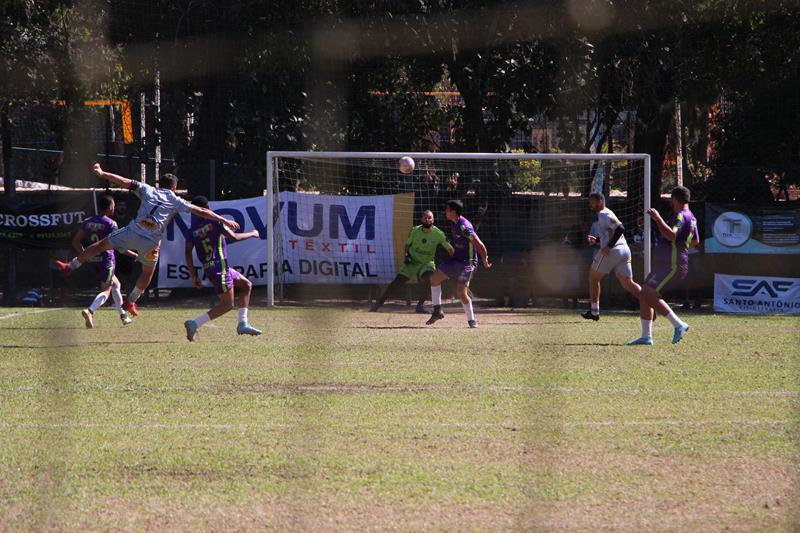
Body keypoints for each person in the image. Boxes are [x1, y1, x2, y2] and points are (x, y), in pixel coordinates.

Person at [56, 163, 240, 317]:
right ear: (174, 188)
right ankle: (131, 301)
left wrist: (102, 173)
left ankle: (70, 266)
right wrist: (223, 220)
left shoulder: (147, 189)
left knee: (98, 245)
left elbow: (123, 181)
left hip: (132, 233)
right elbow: (202, 211)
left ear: (160, 184)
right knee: (147, 273)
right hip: (151, 242)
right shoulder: (176, 200)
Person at [183, 196, 262, 341]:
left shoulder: (192, 230)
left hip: (210, 268)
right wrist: (253, 233)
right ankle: (194, 323)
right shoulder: (215, 221)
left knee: (246, 285)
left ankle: (243, 323)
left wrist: (194, 275)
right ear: (207, 208)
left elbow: (188, 253)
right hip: (220, 268)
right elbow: (234, 237)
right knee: (227, 305)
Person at [628, 186, 700, 346]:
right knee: (644, 293)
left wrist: (658, 218)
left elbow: (672, 235)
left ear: (674, 199)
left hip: (672, 265)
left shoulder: (680, 215)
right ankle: (646, 336)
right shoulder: (691, 216)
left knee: (649, 293)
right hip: (666, 264)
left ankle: (678, 324)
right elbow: (695, 240)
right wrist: (681, 247)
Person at [370, 210, 454, 314]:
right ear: (421, 219)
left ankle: (420, 306)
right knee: (397, 283)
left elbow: (450, 249)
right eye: (425, 217)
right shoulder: (415, 231)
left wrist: (455, 262)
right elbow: (407, 245)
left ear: (433, 220)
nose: (427, 219)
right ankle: (378, 304)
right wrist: (407, 255)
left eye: (429, 218)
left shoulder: (439, 234)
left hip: (427, 263)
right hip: (413, 262)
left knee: (430, 279)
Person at [425, 200, 491, 328]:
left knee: (460, 292)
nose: (445, 212)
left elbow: (479, 245)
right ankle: (437, 312)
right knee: (434, 279)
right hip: (456, 259)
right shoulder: (455, 223)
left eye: (447, 210)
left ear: (453, 212)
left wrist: (484, 260)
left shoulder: (464, 227)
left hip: (468, 262)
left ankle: (472, 320)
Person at [72, 195, 134, 328]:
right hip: (107, 260)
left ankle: (123, 315)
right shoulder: (111, 224)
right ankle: (90, 311)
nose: (114, 208)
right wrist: (134, 254)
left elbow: (76, 241)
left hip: (93, 261)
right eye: (113, 205)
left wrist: (85, 255)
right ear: (110, 207)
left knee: (116, 284)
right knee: (107, 290)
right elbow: (118, 246)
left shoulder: (87, 222)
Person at [581, 192, 642, 321]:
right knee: (627, 283)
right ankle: (650, 303)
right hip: (624, 250)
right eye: (590, 202)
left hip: (613, 251)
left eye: (593, 202)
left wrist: (609, 246)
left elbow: (620, 228)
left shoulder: (604, 214)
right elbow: (611, 232)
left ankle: (594, 312)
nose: (590, 204)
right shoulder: (606, 213)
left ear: (601, 201)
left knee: (593, 278)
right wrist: (597, 240)